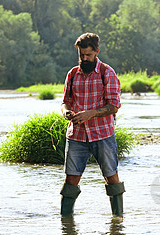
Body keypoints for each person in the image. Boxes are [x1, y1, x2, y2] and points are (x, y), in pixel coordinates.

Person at [60, 33, 125, 217]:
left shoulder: (107, 73)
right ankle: (66, 223)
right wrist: (66, 112)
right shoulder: (72, 74)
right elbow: (65, 101)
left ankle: (118, 220)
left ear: (97, 51)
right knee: (71, 179)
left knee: (111, 177)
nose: (84, 59)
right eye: (81, 55)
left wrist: (91, 114)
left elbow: (114, 106)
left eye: (88, 55)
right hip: (76, 136)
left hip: (103, 135)